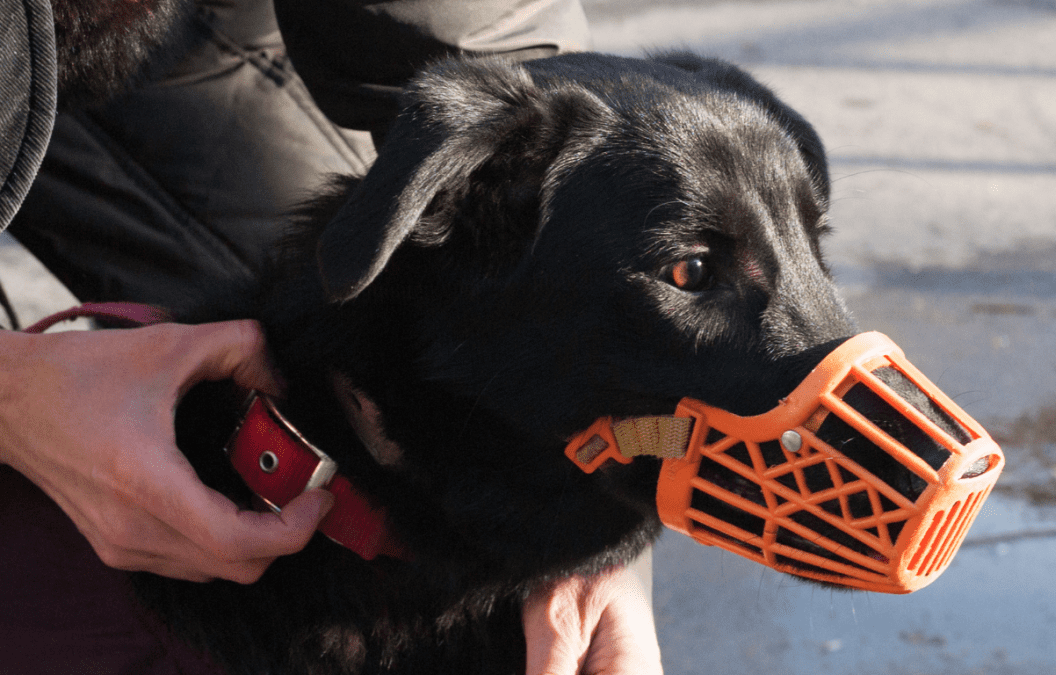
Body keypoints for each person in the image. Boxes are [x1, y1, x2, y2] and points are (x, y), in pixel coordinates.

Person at [0, 0, 662, 672]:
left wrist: (587, 528)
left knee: (357, 330)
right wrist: (16, 396)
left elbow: (503, 49)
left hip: (139, 34)